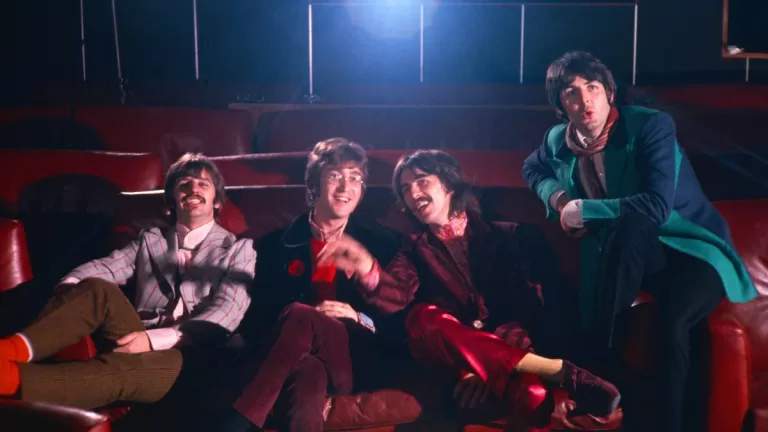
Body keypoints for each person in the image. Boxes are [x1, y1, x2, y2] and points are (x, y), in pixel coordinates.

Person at [521, 51, 757, 432]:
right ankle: (603, 370)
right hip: (634, 256)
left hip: (691, 252)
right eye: (572, 93)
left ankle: (618, 379)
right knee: (624, 236)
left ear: (610, 92)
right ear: (561, 106)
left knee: (673, 319)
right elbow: (531, 168)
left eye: (593, 88)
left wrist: (583, 210)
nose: (585, 101)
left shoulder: (650, 126)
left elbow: (656, 207)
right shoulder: (557, 141)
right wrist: (559, 200)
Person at [317, 150, 621, 431]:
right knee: (423, 316)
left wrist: (485, 362)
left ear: (449, 185)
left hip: (513, 348)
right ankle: (560, 371)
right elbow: (398, 299)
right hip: (449, 360)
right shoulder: (410, 250)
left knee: (534, 393)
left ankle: (552, 370)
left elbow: (538, 303)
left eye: (422, 181)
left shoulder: (513, 236)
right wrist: (367, 268)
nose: (413, 194)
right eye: (406, 189)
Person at [0, 153, 256, 409]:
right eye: (184, 184)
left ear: (217, 202)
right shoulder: (151, 240)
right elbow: (107, 267)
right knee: (96, 287)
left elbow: (227, 310)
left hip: (195, 354)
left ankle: (9, 379)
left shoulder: (239, 249)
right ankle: (7, 352)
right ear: (172, 200)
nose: (193, 189)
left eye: (203, 184)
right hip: (138, 335)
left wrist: (158, 339)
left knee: (128, 367)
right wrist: (70, 292)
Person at [217, 138, 405, 432]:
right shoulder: (274, 245)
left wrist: (359, 318)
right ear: (314, 185)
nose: (346, 187)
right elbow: (257, 319)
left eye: (355, 178)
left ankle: (236, 422)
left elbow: (400, 318)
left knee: (301, 314)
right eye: (335, 176)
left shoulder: (383, 242)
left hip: (353, 358)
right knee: (308, 375)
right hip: (291, 359)